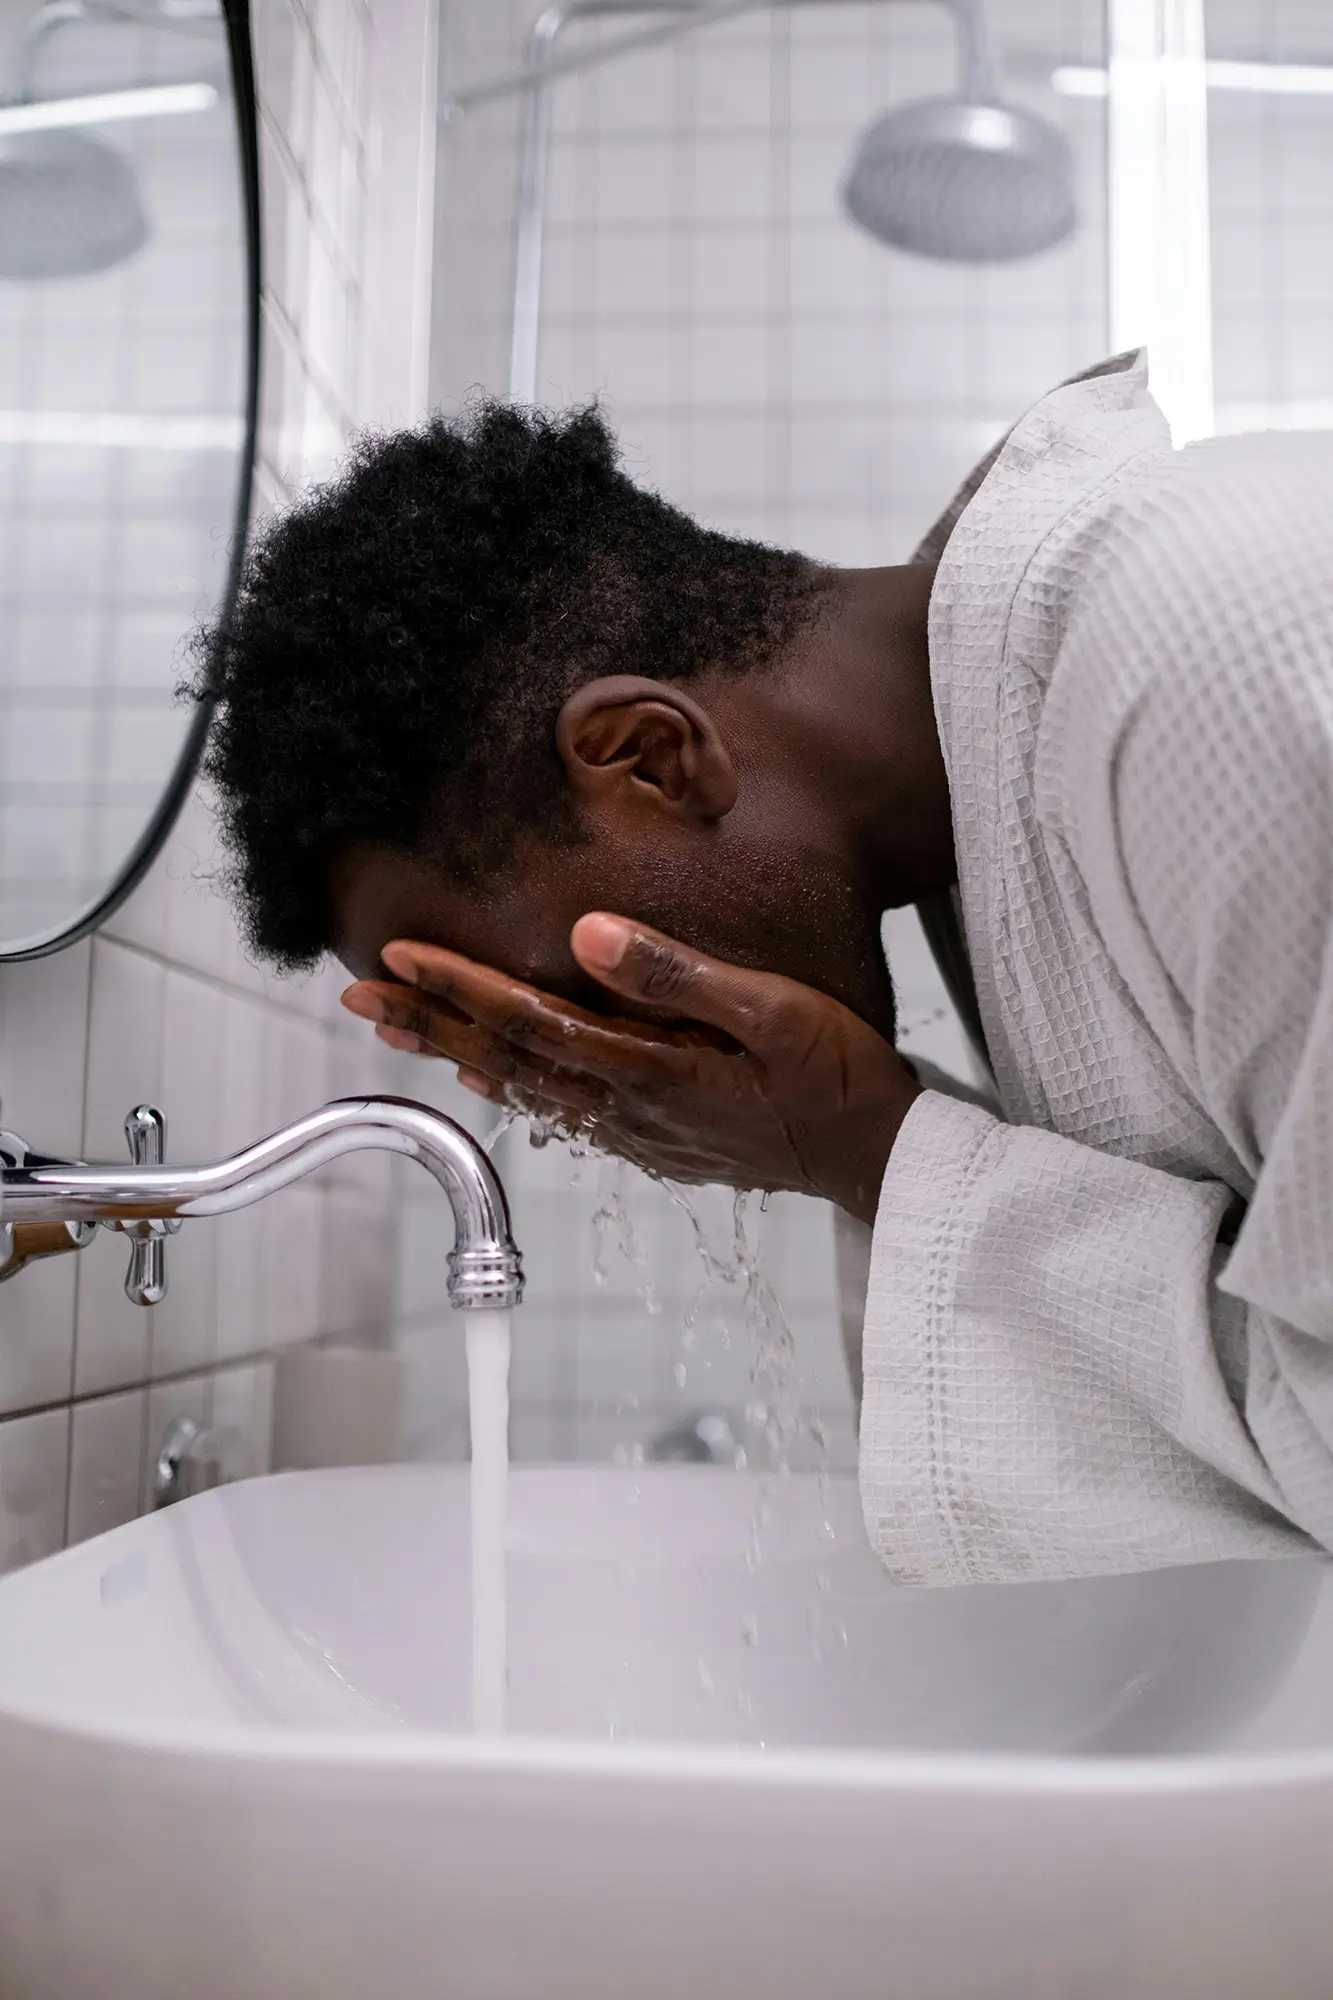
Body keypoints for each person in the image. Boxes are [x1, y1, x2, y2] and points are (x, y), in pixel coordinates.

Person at [193, 349, 1333, 1586]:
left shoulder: (1211, 663)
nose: (601, 1078)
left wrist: (871, 1152)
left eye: (557, 1002)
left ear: (649, 757)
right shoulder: (1013, 767)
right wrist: (867, 1142)